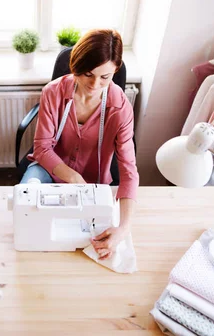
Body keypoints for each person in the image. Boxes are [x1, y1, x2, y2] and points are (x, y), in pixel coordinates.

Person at [21, 29, 139, 260]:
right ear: (75, 67)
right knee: (28, 220)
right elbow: (42, 149)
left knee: (83, 246)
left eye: (105, 77)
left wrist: (124, 228)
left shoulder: (120, 108)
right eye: (87, 74)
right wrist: (73, 178)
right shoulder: (53, 92)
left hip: (92, 182)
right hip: (48, 170)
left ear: (115, 70)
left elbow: (128, 170)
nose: (95, 84)